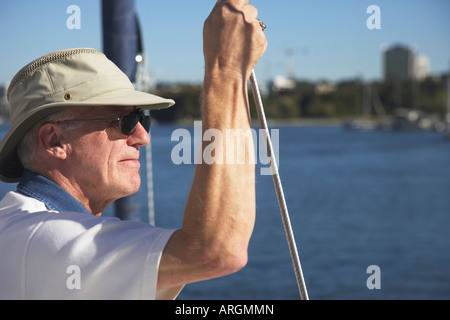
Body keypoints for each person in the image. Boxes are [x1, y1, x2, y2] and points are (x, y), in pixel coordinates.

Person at [0, 0, 267, 300]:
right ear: (54, 141)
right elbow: (217, 251)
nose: (142, 137)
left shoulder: (21, 228)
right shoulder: (42, 236)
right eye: (124, 121)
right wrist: (226, 69)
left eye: (143, 119)